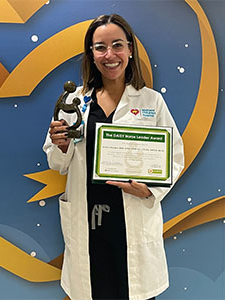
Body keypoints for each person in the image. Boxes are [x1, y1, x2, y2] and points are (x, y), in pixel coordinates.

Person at [43, 14, 184, 300]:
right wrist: (60, 147)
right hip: (89, 222)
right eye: (100, 47)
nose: (110, 55)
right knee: (93, 290)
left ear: (130, 50)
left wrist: (150, 189)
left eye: (117, 45)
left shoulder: (151, 101)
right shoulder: (75, 101)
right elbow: (56, 163)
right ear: (91, 54)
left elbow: (174, 156)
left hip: (130, 217)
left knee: (133, 290)